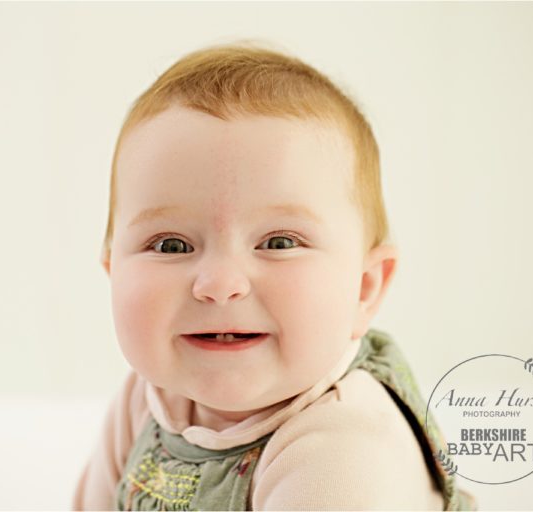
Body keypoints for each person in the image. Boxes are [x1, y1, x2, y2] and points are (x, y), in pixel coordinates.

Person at [73, 43, 475, 510]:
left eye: (279, 243)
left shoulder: (340, 452)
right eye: (171, 245)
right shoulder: (147, 399)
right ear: (113, 274)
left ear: (364, 289)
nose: (221, 284)